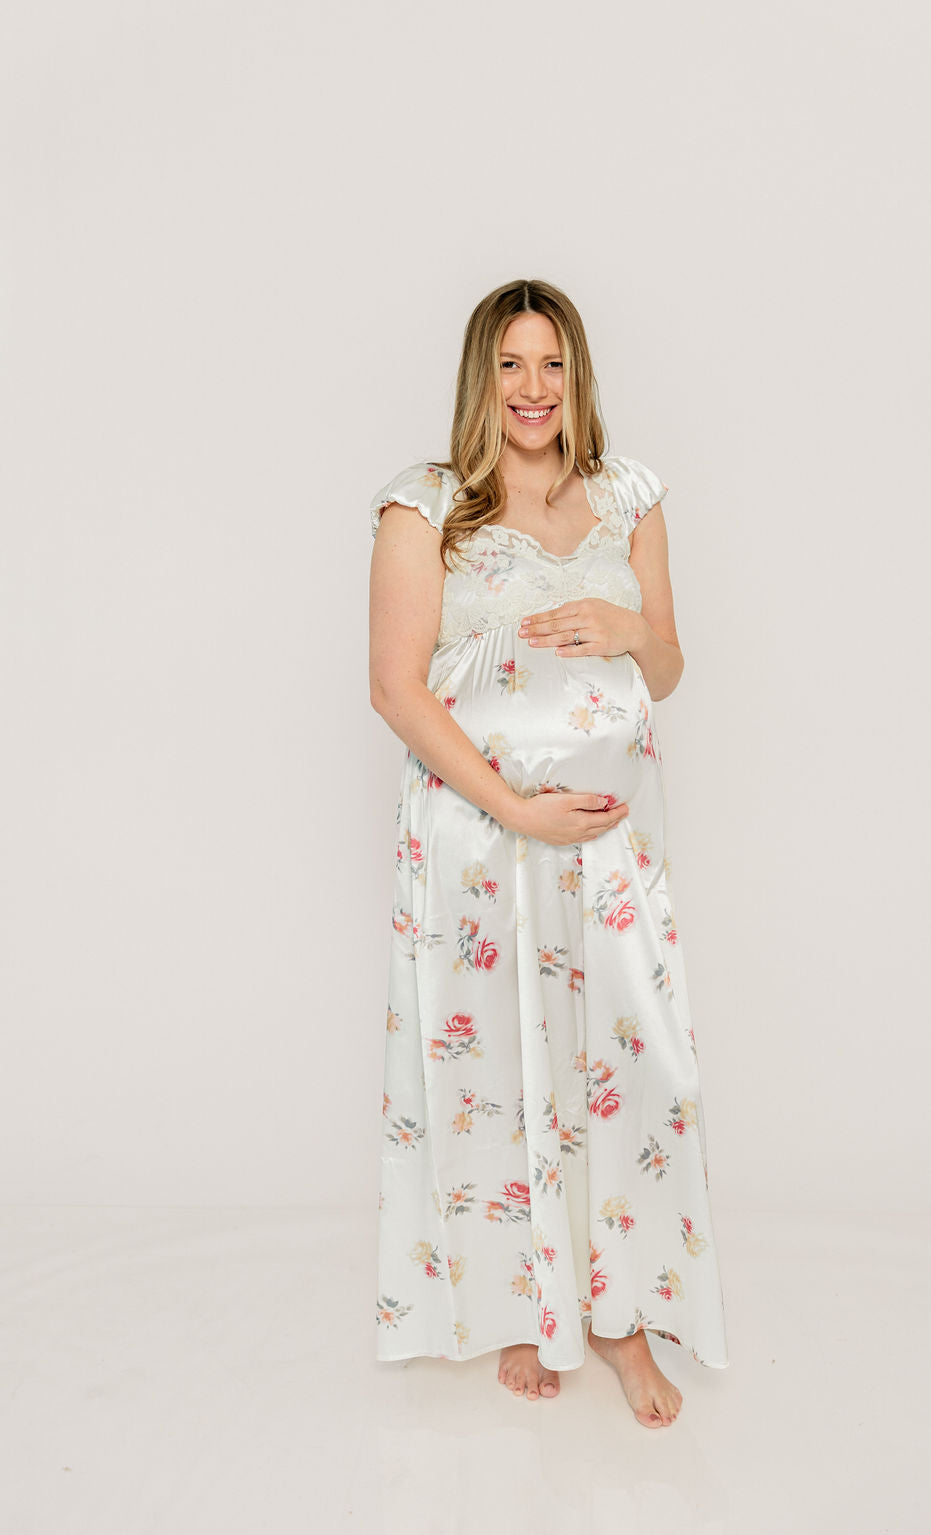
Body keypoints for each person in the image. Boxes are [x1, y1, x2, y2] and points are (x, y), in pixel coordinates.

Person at [368, 278, 729, 1429]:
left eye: (553, 363)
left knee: (624, 1062)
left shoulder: (628, 497)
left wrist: (630, 632)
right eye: (511, 364)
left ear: (578, 375)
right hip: (482, 839)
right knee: (501, 1065)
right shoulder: (426, 506)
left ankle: (619, 1318)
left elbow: (666, 666)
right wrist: (514, 810)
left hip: (614, 848)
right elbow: (397, 688)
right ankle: (529, 1304)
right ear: (482, 378)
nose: (533, 388)